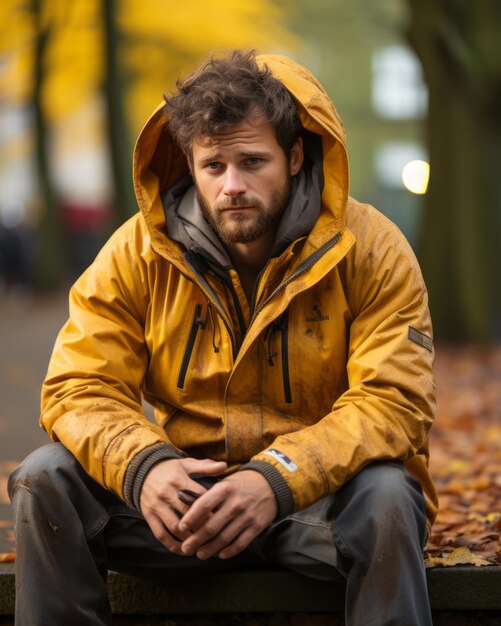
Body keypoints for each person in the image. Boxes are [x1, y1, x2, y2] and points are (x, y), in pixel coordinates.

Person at [9, 49, 438, 625]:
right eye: (213, 166)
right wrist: (145, 467)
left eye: (252, 161)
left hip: (317, 505)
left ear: (292, 156)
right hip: (181, 509)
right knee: (45, 478)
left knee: (388, 496)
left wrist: (278, 478)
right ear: (190, 163)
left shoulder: (374, 250)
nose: (232, 185)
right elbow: (78, 386)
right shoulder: (135, 252)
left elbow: (394, 402)